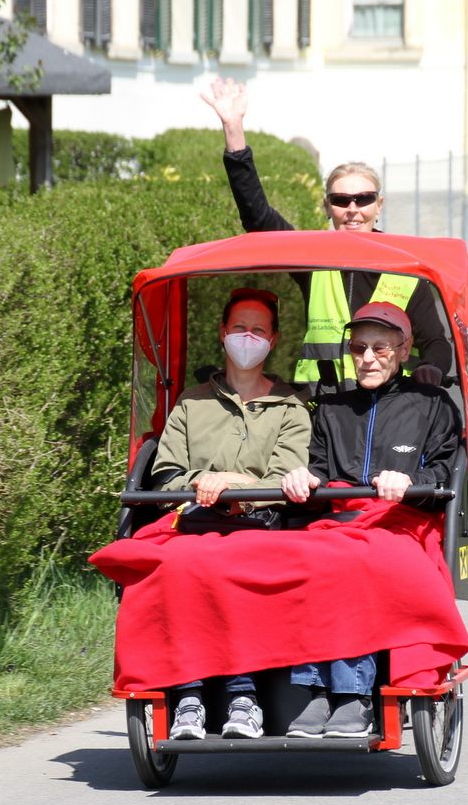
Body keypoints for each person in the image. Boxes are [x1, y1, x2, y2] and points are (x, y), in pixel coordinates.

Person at [279, 301, 461, 738]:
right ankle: (317, 691)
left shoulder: (432, 404)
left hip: (402, 519)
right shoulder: (331, 408)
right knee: (304, 558)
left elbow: (443, 470)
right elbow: (319, 466)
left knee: (359, 563)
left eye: (380, 349)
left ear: (403, 350)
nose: (367, 358)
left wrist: (410, 478)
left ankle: (353, 696)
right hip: (341, 521)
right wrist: (305, 476)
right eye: (358, 348)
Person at [201, 76, 452, 391]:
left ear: (379, 205)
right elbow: (258, 218)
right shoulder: (312, 260)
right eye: (341, 200)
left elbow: (436, 343)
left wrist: (431, 369)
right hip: (321, 407)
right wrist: (233, 131)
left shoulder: (405, 268)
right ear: (328, 206)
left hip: (388, 406)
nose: (352, 208)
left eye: (363, 199)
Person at [150, 287, 311, 741]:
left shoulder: (291, 407)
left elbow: (286, 477)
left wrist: (233, 483)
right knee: (176, 568)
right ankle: (188, 696)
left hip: (259, 525)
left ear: (273, 340)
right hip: (198, 524)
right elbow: (165, 475)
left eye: (258, 330)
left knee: (232, 567)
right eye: (239, 327)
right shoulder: (191, 403)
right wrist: (205, 481)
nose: (247, 336)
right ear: (223, 334)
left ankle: (244, 696)